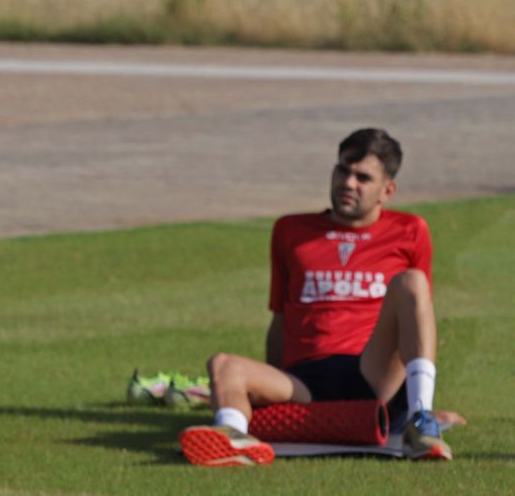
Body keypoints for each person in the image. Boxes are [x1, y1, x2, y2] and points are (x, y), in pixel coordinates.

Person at [180, 128, 451, 466]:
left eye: (362, 177)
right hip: (303, 381)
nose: (348, 183)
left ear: (387, 190)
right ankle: (233, 437)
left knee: (412, 283)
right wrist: (263, 387)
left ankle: (420, 416)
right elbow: (280, 315)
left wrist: (419, 395)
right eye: (342, 171)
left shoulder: (410, 230)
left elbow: (415, 315)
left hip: (373, 371)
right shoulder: (290, 231)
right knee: (223, 365)